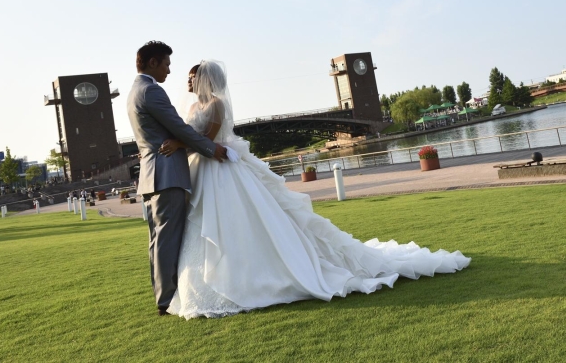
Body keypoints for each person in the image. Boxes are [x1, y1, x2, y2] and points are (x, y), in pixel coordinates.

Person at [160, 60, 470, 319]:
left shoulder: (216, 105)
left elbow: (206, 141)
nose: (188, 81)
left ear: (205, 79)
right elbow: (192, 137)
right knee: (208, 225)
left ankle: (249, 278)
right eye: (188, 76)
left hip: (220, 166)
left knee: (236, 223)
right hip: (203, 169)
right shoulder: (191, 107)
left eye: (192, 76)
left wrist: (179, 144)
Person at [127, 41, 230, 317]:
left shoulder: (134, 92)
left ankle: (162, 296)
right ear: (152, 63)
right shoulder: (151, 91)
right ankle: (167, 299)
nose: (169, 71)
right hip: (167, 174)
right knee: (167, 239)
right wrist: (211, 148)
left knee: (157, 239)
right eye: (166, 64)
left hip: (151, 176)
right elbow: (179, 128)